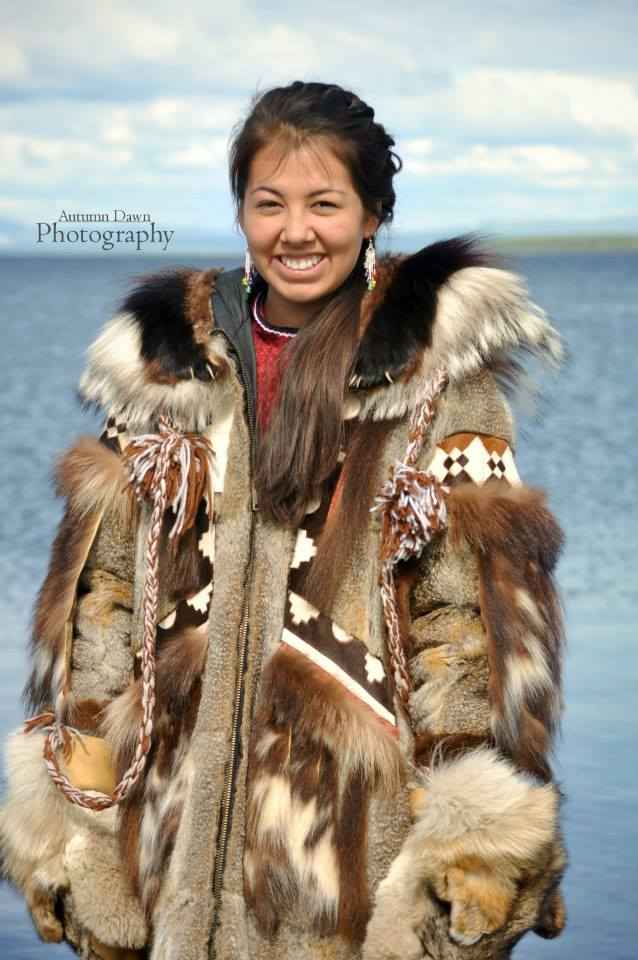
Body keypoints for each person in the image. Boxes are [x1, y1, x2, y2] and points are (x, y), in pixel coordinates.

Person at [0, 81, 567, 960]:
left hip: (344, 850)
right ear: (240, 213)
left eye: (324, 203)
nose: (295, 231)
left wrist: (463, 852)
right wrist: (79, 831)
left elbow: (472, 633)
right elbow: (101, 603)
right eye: (269, 203)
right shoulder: (167, 376)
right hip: (167, 838)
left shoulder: (441, 387)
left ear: (374, 212)